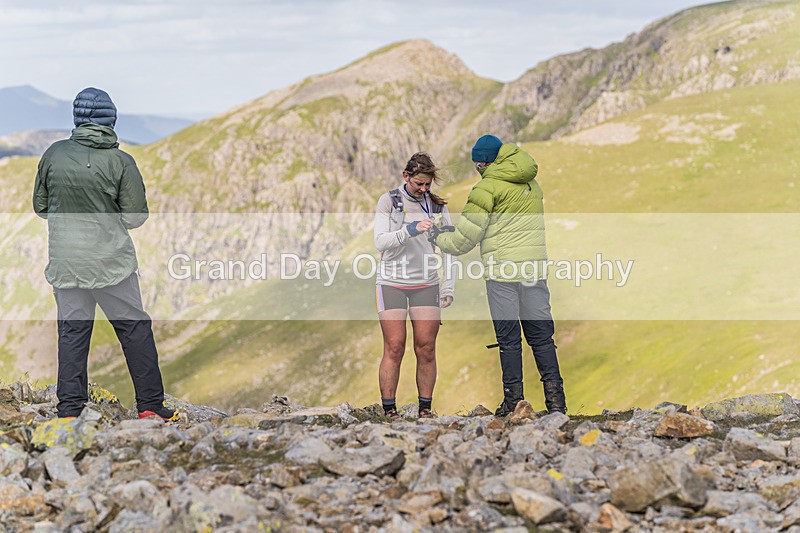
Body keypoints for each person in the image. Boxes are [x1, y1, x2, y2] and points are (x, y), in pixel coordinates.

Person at [32, 87, 176, 421]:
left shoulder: (53, 154)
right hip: (112, 264)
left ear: (77, 118)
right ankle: (150, 407)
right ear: (111, 120)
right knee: (134, 330)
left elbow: (41, 207)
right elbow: (135, 217)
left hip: (67, 263)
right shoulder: (121, 162)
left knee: (73, 333)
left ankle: (69, 411)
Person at [434, 135, 567, 416]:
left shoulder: (487, 188)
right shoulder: (531, 183)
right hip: (533, 271)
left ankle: (513, 404)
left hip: (502, 274)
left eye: (477, 164)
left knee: (509, 340)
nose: (477, 168)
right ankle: (557, 404)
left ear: (485, 162)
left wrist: (438, 238)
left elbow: (465, 239)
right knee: (542, 338)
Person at [374, 152, 454, 419]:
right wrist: (410, 230)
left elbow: (449, 248)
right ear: (406, 176)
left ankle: (425, 410)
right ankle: (389, 410)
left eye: (428, 184)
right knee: (395, 346)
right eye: (419, 183)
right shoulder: (389, 201)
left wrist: (448, 287)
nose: (423, 189)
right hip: (391, 282)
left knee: (426, 347)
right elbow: (380, 241)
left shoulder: (437, 205)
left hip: (426, 283)